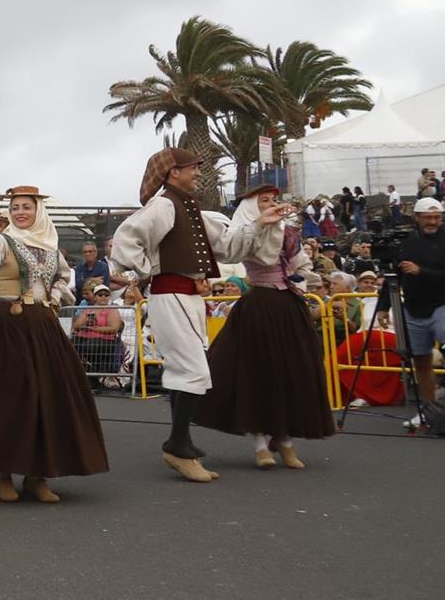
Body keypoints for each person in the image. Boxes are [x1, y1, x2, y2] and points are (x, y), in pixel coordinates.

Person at [0, 187, 110, 503]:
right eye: (15, 207)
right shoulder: (1, 241)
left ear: (38, 211)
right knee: (9, 397)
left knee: (47, 396)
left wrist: (53, 299)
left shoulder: (50, 246)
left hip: (42, 325)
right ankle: (3, 471)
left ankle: (36, 475)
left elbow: (62, 279)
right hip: (8, 325)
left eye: (26, 207)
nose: (20, 212)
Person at [110, 148, 270, 482]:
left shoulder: (190, 207)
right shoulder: (165, 205)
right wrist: (148, 268)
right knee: (193, 369)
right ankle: (176, 445)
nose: (199, 172)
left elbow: (226, 246)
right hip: (171, 295)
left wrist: (258, 224)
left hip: (189, 297)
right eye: (193, 167)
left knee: (188, 368)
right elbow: (127, 237)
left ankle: (181, 440)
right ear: (173, 173)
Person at [195, 189, 337, 468]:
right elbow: (241, 252)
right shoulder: (245, 233)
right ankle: (261, 444)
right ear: (251, 207)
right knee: (259, 373)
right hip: (259, 306)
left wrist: (306, 276)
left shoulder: (286, 232)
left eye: (273, 200)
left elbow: (300, 265)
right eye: (264, 201)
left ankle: (284, 440)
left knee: (292, 371)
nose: (272, 204)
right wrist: (265, 225)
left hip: (288, 307)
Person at [388, 196, 445, 408]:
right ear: (417, 218)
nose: (432, 222)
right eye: (427, 217)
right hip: (413, 309)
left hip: (443, 306)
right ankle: (431, 409)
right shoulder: (407, 241)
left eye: (436, 217)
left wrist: (421, 271)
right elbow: (394, 274)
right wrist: (385, 305)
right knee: (421, 361)